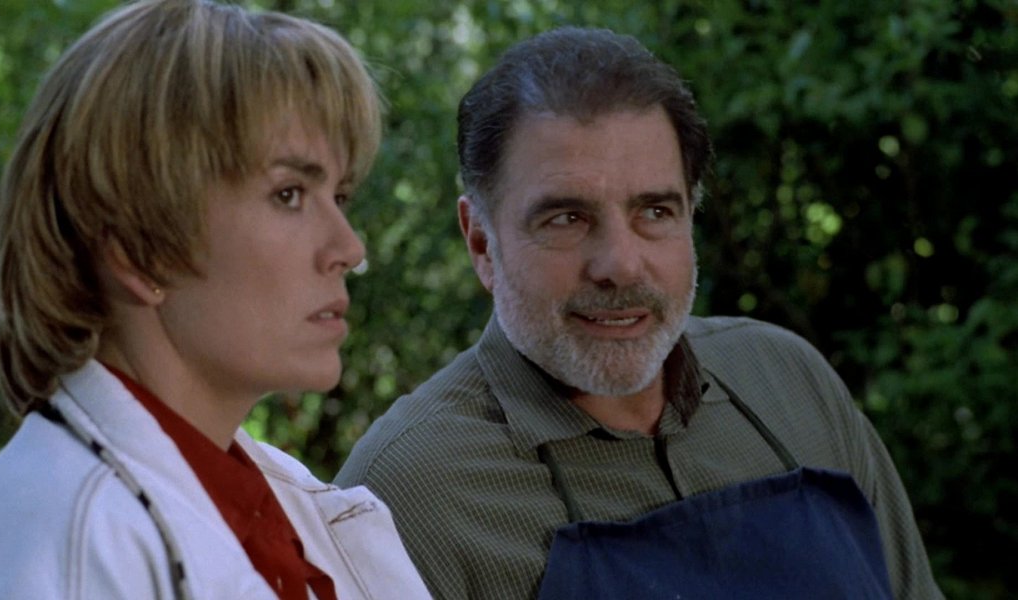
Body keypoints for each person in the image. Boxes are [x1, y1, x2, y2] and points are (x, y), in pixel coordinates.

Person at [335, 26, 942, 600]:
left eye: (654, 212)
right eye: (567, 219)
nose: (621, 266)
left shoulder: (788, 382)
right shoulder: (406, 491)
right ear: (481, 243)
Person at [0, 1, 431, 598]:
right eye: (289, 194)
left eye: (338, 196)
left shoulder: (289, 507)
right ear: (138, 251)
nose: (349, 248)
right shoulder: (59, 545)